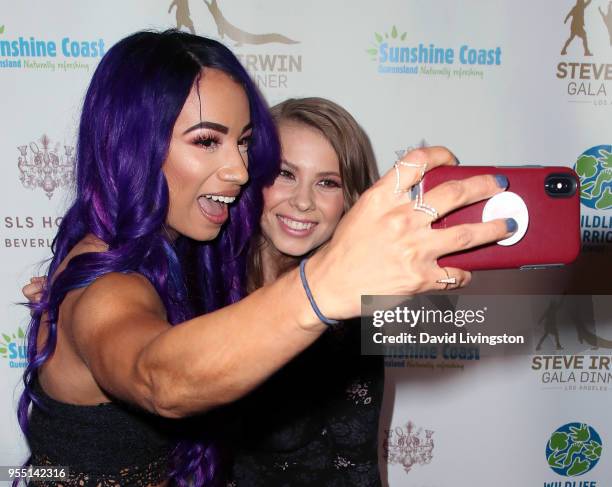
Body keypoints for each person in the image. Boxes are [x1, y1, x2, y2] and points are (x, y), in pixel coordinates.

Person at [17, 29, 515, 487]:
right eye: (207, 141)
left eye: (245, 144)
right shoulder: (108, 283)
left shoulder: (185, 263)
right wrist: (325, 284)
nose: (238, 170)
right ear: (135, 144)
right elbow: (158, 377)